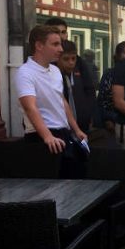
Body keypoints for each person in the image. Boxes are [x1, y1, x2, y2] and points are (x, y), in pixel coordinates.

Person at [15, 25, 88, 178]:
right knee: (49, 188)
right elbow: (30, 107)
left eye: (60, 43)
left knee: (73, 182)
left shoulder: (55, 70)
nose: (61, 49)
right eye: (55, 44)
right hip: (41, 136)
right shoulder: (25, 72)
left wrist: (76, 130)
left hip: (63, 133)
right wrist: (47, 136)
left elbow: (61, 101)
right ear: (39, 46)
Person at [56, 40, 94, 134]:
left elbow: (90, 92)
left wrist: (89, 116)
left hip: (82, 126)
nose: (71, 62)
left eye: (73, 59)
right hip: (61, 128)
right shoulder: (53, 76)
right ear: (57, 58)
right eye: (66, 59)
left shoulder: (79, 71)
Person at [96, 42, 125, 134]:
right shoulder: (109, 74)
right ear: (118, 56)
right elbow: (102, 98)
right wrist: (107, 118)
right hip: (111, 120)